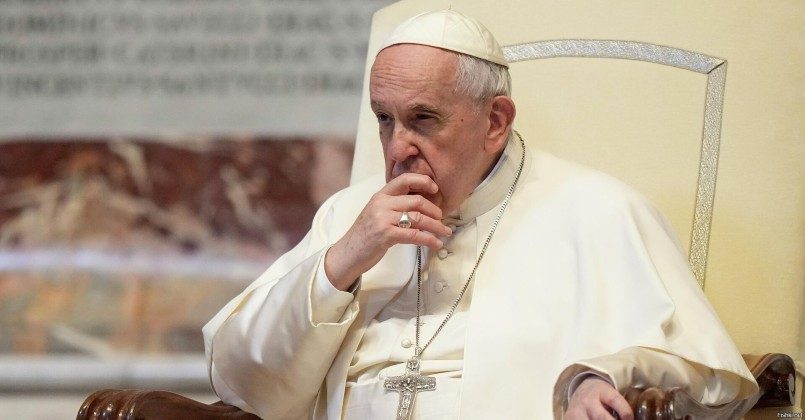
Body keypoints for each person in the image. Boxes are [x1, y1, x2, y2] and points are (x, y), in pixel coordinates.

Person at [203, 10, 757, 420]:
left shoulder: (600, 210)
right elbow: (243, 381)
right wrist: (342, 261)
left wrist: (595, 380)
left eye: (423, 119)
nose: (397, 148)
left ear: (495, 121)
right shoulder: (350, 213)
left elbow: (709, 374)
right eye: (384, 119)